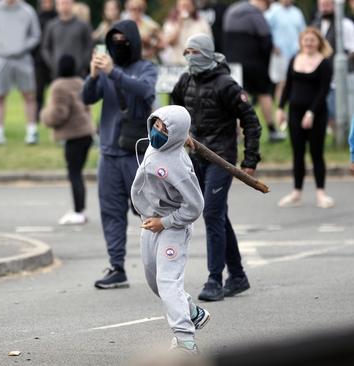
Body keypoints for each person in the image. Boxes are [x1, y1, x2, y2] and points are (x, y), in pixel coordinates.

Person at [171, 34, 262, 301]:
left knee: (211, 213)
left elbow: (251, 122)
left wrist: (250, 161)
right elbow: (174, 114)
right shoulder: (185, 81)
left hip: (221, 158)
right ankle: (238, 276)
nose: (189, 57)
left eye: (194, 52)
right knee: (217, 213)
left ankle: (214, 280)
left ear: (207, 54)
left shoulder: (227, 84)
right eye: (186, 51)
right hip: (195, 157)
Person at [82, 20, 157, 289]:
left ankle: (159, 262)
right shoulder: (103, 70)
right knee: (111, 212)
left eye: (123, 40)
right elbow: (87, 97)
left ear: (134, 41)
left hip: (135, 153)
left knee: (146, 210)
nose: (118, 45)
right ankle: (117, 267)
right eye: (113, 40)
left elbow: (145, 91)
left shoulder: (146, 68)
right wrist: (93, 75)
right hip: (108, 154)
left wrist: (113, 72)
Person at [130, 105, 208, 355]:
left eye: (164, 129)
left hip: (172, 226)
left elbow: (195, 206)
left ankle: (186, 341)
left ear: (175, 134)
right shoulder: (159, 144)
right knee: (156, 283)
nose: (157, 131)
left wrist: (165, 223)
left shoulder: (179, 167)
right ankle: (193, 312)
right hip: (149, 221)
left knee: (167, 282)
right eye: (156, 125)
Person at [277, 27, 334, 208]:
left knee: (316, 153)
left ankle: (321, 193)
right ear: (301, 42)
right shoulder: (295, 59)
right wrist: (280, 108)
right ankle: (296, 192)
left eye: (312, 40)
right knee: (298, 153)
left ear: (319, 42)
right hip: (295, 112)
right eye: (306, 40)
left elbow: (324, 91)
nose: (309, 43)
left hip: (316, 114)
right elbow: (287, 86)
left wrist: (311, 112)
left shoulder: (324, 63)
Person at [40, 55, 95, 225]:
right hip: (86, 133)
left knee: (74, 174)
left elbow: (59, 114)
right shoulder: (79, 81)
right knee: (77, 173)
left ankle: (78, 212)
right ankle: (80, 210)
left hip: (74, 135)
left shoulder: (59, 86)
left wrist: (44, 116)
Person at [223, 0, 286, 143]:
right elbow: (266, 41)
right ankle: (272, 130)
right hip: (256, 64)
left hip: (233, 64)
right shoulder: (256, 14)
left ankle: (237, 134)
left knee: (237, 96)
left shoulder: (232, 11)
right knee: (264, 94)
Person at [0, 0, 41, 145]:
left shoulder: (27, 11)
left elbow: (36, 35)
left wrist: (21, 47)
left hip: (23, 59)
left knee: (29, 95)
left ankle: (32, 132)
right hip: (1, 59)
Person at [311, 0, 354, 132]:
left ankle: (341, 137)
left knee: (338, 111)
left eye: (328, 5)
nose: (325, 8)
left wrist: (339, 66)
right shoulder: (315, 25)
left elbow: (352, 50)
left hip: (342, 77)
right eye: (322, 5)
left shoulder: (345, 24)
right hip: (320, 77)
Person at [265, 0, 305, 102]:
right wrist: (272, 45)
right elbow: (265, 29)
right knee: (281, 82)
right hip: (279, 53)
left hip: (295, 53)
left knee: (294, 81)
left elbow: (303, 32)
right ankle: (280, 108)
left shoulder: (297, 12)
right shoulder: (272, 10)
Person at [41, 0, 93, 79]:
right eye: (62, 3)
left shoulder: (84, 26)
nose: (64, 6)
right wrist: (53, 64)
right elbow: (45, 48)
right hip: (57, 74)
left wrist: (82, 64)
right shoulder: (51, 26)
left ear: (73, 4)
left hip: (79, 75)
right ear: (57, 6)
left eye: (67, 3)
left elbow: (89, 47)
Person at [161, 0, 212, 66]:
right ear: (178, 7)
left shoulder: (202, 22)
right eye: (183, 6)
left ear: (193, 6)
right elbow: (169, 42)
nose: (185, 8)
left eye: (188, 5)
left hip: (197, 64)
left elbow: (208, 43)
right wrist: (179, 23)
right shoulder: (171, 23)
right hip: (177, 64)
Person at [34, 0, 58, 121]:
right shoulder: (36, 18)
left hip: (55, 58)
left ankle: (54, 112)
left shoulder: (57, 18)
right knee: (39, 89)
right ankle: (37, 114)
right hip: (39, 60)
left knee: (56, 88)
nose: (46, 4)